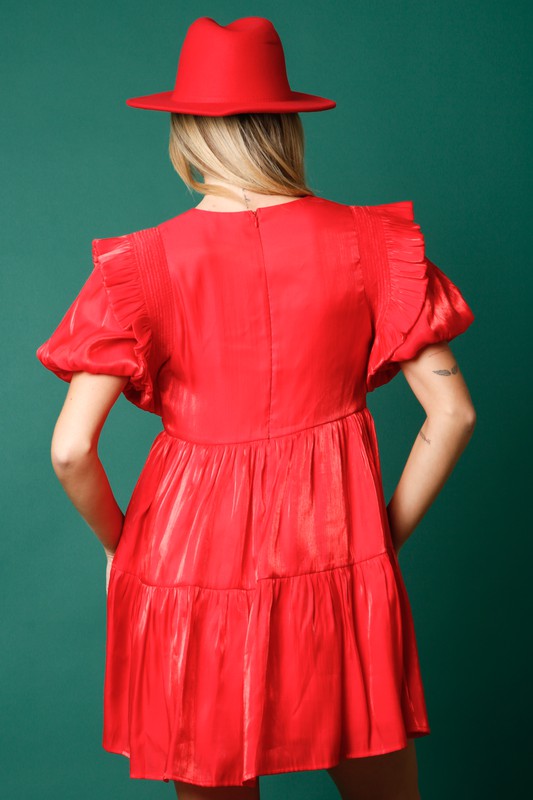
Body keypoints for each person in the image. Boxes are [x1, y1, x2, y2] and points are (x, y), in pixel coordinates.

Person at [35, 16, 476, 800]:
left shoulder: (138, 264)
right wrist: (381, 542)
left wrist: (120, 548)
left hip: (181, 560)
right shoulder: (377, 244)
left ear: (184, 133)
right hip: (334, 546)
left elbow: (71, 449)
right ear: (285, 129)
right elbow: (453, 417)